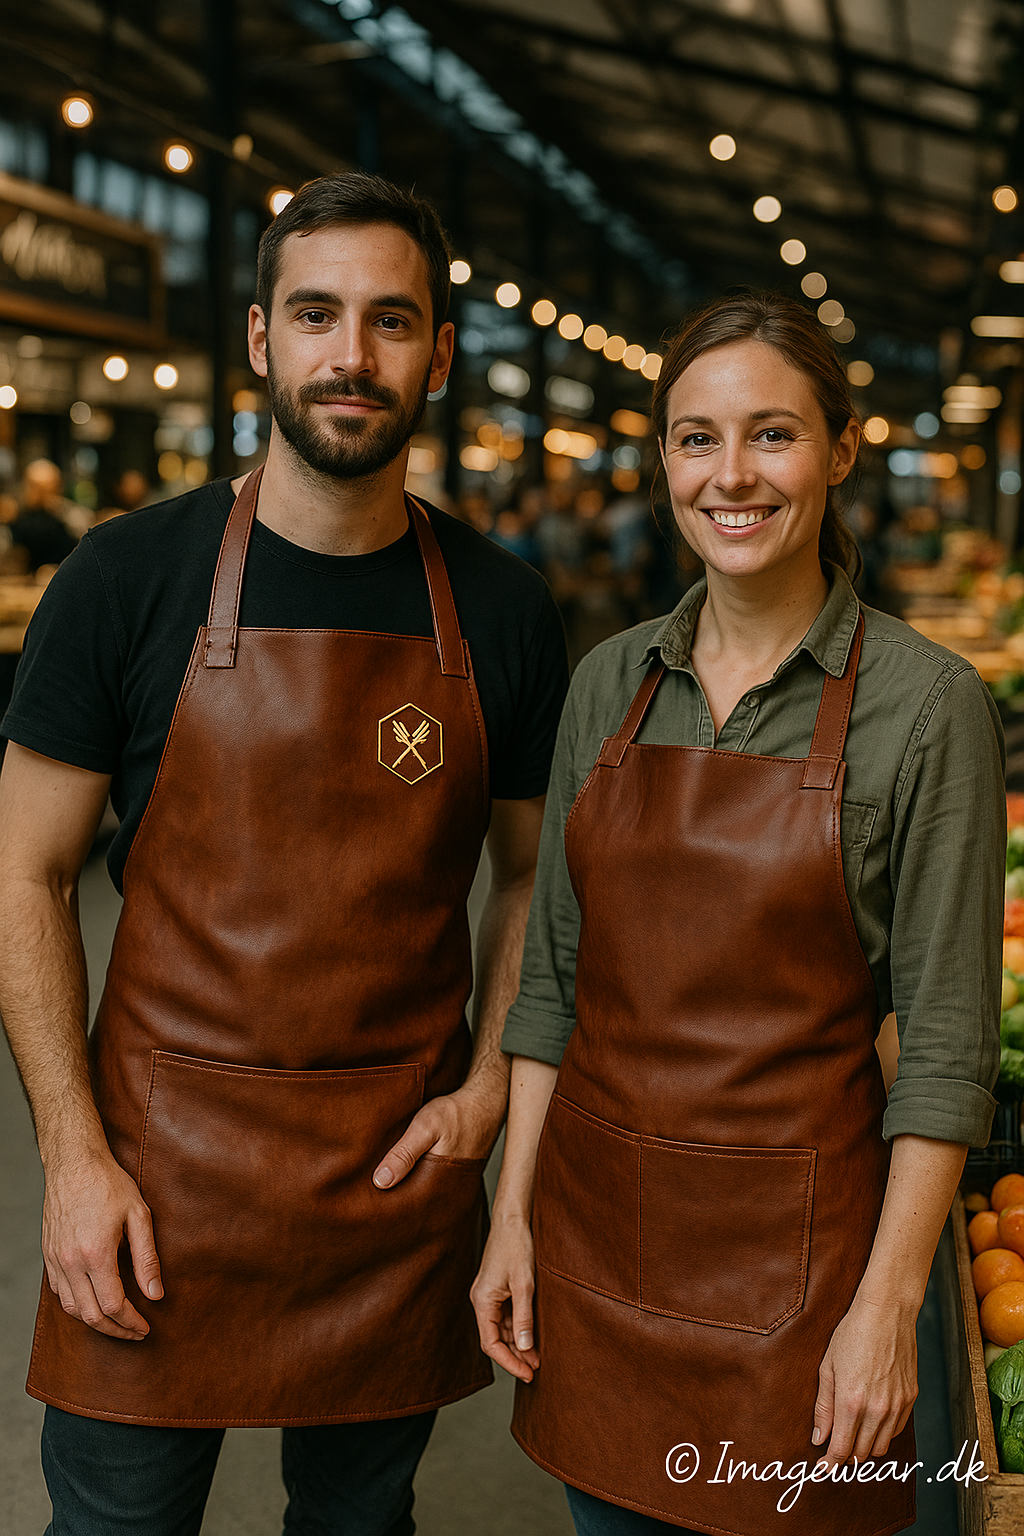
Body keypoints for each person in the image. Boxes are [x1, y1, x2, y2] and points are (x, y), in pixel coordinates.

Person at [0, 172, 568, 1536]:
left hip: (388, 1180)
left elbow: (539, 875)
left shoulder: (498, 605)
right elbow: (22, 875)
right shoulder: (122, 579)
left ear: (439, 352)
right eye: (317, 315)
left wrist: (488, 1088)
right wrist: (72, 1161)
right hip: (153, 1184)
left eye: (390, 320)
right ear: (262, 338)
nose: (350, 357)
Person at [471, 292, 1004, 1536]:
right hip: (594, 1265)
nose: (731, 476)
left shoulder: (927, 711)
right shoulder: (610, 679)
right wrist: (512, 1219)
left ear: (838, 451)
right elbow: (551, 983)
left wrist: (884, 1313)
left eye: (771, 434)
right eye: (695, 438)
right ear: (662, 457)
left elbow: (940, 1058)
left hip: (802, 1290)